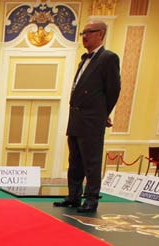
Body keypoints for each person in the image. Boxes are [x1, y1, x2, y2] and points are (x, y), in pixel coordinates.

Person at [54, 21, 121, 214]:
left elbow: (113, 90)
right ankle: (73, 196)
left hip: (92, 121)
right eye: (83, 32)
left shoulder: (108, 58)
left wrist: (102, 114)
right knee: (75, 161)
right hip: (76, 119)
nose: (85, 36)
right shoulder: (83, 61)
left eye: (89, 32)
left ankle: (91, 199)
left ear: (101, 34)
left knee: (91, 162)